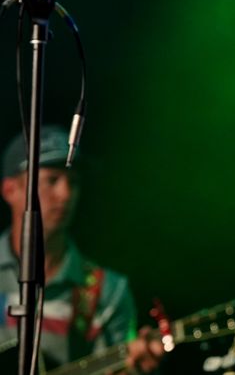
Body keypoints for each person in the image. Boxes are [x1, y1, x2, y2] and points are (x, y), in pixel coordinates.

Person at [0, 125, 163, 372]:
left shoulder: (109, 292)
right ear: (10, 189)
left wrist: (137, 368)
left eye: (73, 182)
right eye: (52, 180)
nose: (66, 194)